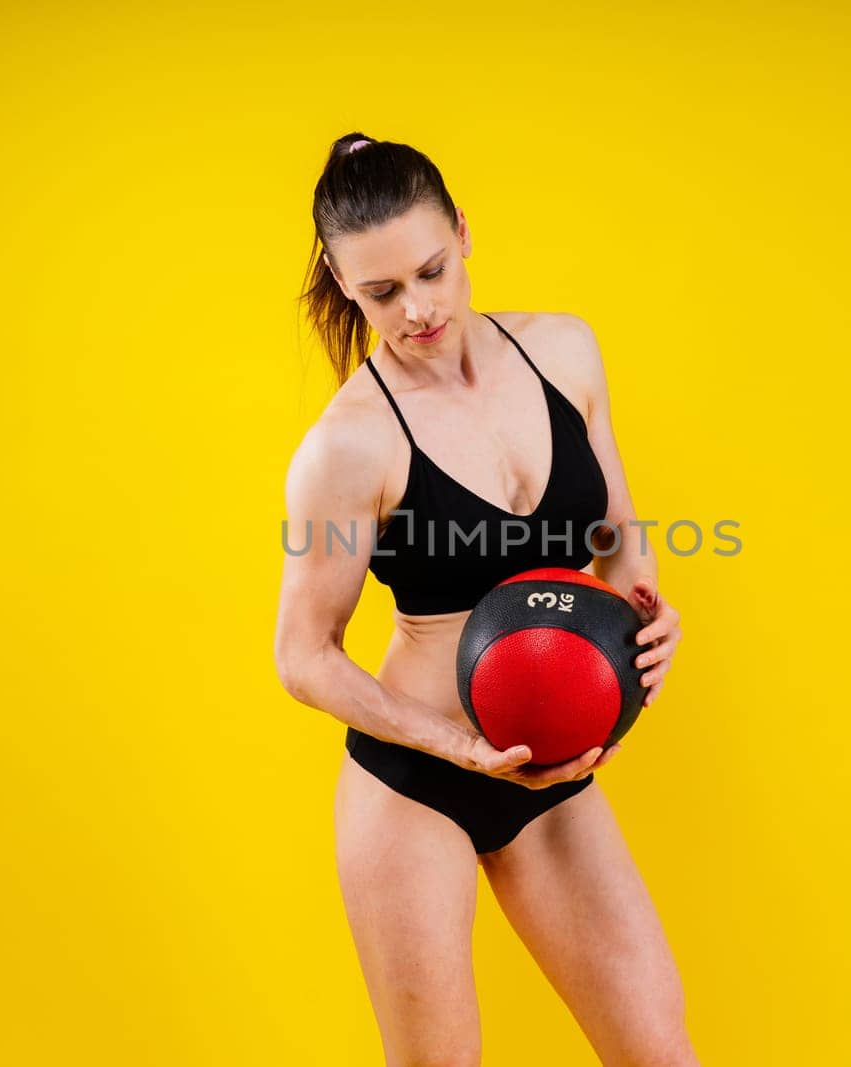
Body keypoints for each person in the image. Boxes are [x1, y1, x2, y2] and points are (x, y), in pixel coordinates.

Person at [274, 132, 696, 1066]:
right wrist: (457, 745)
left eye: (431, 270)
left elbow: (617, 528)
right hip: (416, 782)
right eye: (382, 292)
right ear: (345, 285)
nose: (418, 308)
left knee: (660, 1050)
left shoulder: (564, 351)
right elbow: (303, 654)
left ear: (464, 233)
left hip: (552, 767)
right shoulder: (347, 448)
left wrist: (649, 618)